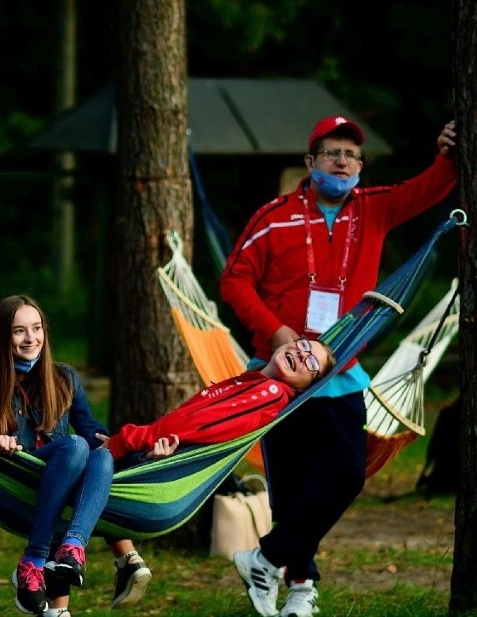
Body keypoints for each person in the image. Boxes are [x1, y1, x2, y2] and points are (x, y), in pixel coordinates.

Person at [220, 116, 457, 617]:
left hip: (340, 369)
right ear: (311, 163)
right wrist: (278, 332)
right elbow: (235, 281)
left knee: (347, 473)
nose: (344, 163)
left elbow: (428, 190)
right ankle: (299, 588)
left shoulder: (373, 209)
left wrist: (448, 157)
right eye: (333, 154)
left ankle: (263, 558)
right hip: (280, 371)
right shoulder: (273, 217)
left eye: (352, 156)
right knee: (289, 484)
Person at [0, 295, 118, 616]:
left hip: (62, 478)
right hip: (17, 477)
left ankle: (70, 549)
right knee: (75, 446)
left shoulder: (64, 378)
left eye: (36, 329)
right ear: (3, 336)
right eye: (19, 331)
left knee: (101, 457)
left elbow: (92, 432)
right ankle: (36, 557)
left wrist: (140, 446)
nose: (30, 338)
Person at [102, 337, 335, 462]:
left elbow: (202, 425)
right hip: (147, 450)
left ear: (305, 387)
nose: (303, 354)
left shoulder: (271, 392)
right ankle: (129, 554)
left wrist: (130, 439)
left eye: (312, 363)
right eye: (304, 345)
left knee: (72, 386)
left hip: (154, 455)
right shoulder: (254, 382)